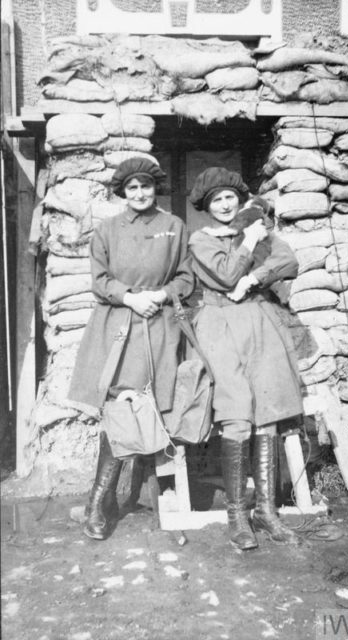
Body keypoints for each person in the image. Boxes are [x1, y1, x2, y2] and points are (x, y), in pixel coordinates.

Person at [67, 156, 194, 540]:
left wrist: (162, 293)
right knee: (121, 411)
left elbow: (187, 276)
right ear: (123, 193)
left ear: (156, 188)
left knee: (157, 407)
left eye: (146, 186)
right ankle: (98, 505)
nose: (140, 193)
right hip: (119, 326)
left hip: (159, 326)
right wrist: (129, 298)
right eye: (132, 188)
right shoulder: (107, 230)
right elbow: (99, 279)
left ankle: (147, 498)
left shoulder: (174, 227)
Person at [188, 167, 303, 551]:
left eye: (229, 197)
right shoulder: (200, 239)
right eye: (215, 200)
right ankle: (237, 514)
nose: (224, 204)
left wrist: (255, 279)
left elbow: (289, 262)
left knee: (267, 413)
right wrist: (248, 245)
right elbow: (223, 276)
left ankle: (266, 512)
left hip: (259, 319)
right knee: (237, 412)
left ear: (239, 199)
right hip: (219, 325)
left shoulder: (255, 229)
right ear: (206, 207)